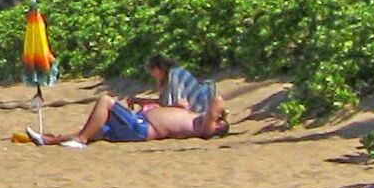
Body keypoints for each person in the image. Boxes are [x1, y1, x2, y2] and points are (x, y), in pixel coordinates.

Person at [21, 82, 226, 147]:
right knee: (95, 131)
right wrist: (177, 107)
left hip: (142, 128)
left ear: (217, 125)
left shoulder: (206, 129)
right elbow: (162, 109)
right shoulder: (194, 117)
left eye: (218, 119)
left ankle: (80, 140)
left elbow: (217, 101)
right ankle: (49, 140)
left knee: (106, 101)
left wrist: (223, 114)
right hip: (140, 122)